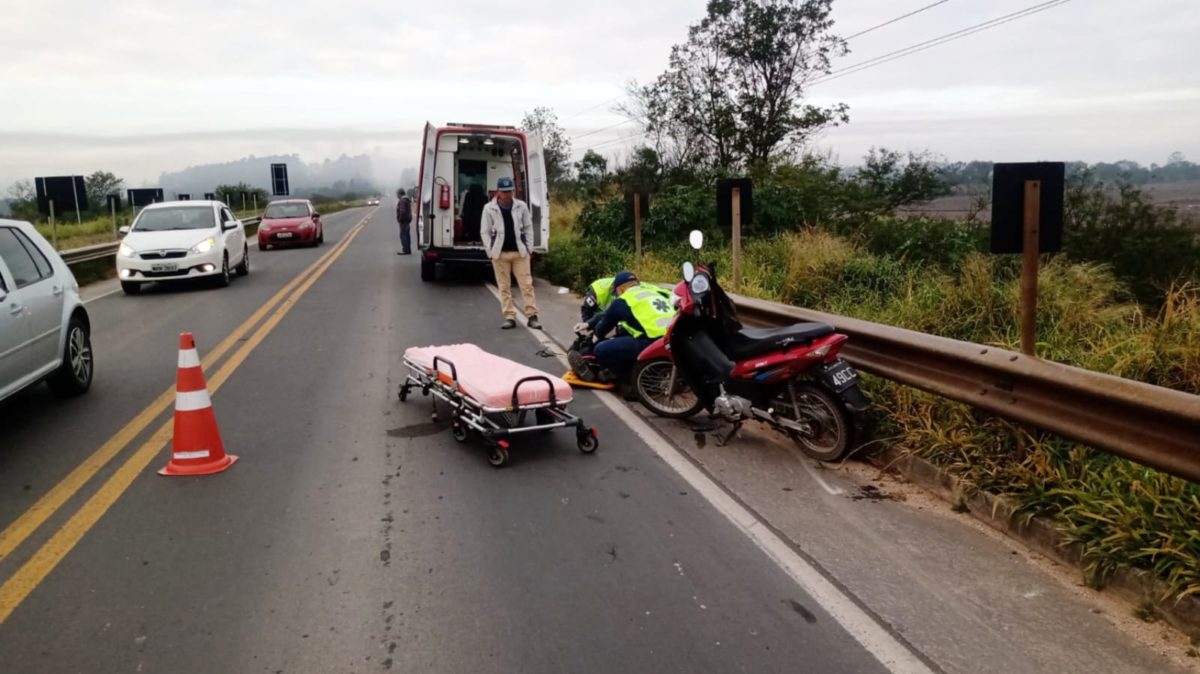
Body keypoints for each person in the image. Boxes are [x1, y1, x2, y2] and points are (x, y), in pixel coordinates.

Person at [574, 271, 676, 381]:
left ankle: (626, 379)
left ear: (620, 289)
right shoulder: (656, 291)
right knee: (626, 331)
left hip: (653, 342)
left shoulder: (624, 299)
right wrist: (588, 324)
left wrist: (592, 342)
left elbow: (603, 326)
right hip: (675, 338)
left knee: (601, 349)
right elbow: (609, 313)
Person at [481, 176, 541, 330]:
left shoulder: (521, 206)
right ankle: (509, 316)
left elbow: (528, 227)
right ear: (498, 192)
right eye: (504, 191)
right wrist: (490, 251)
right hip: (500, 254)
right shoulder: (489, 208)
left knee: (527, 285)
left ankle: (532, 316)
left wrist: (529, 249)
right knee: (504, 286)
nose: (508, 194)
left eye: (510, 191)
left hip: (520, 253)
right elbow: (485, 232)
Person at [396, 188, 413, 255]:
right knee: (407, 235)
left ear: (400, 194)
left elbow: (402, 211)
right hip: (407, 221)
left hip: (403, 221)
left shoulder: (402, 201)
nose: (397, 196)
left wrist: (400, 219)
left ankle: (405, 250)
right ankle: (408, 250)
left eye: (397, 194)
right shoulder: (407, 200)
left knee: (403, 236)